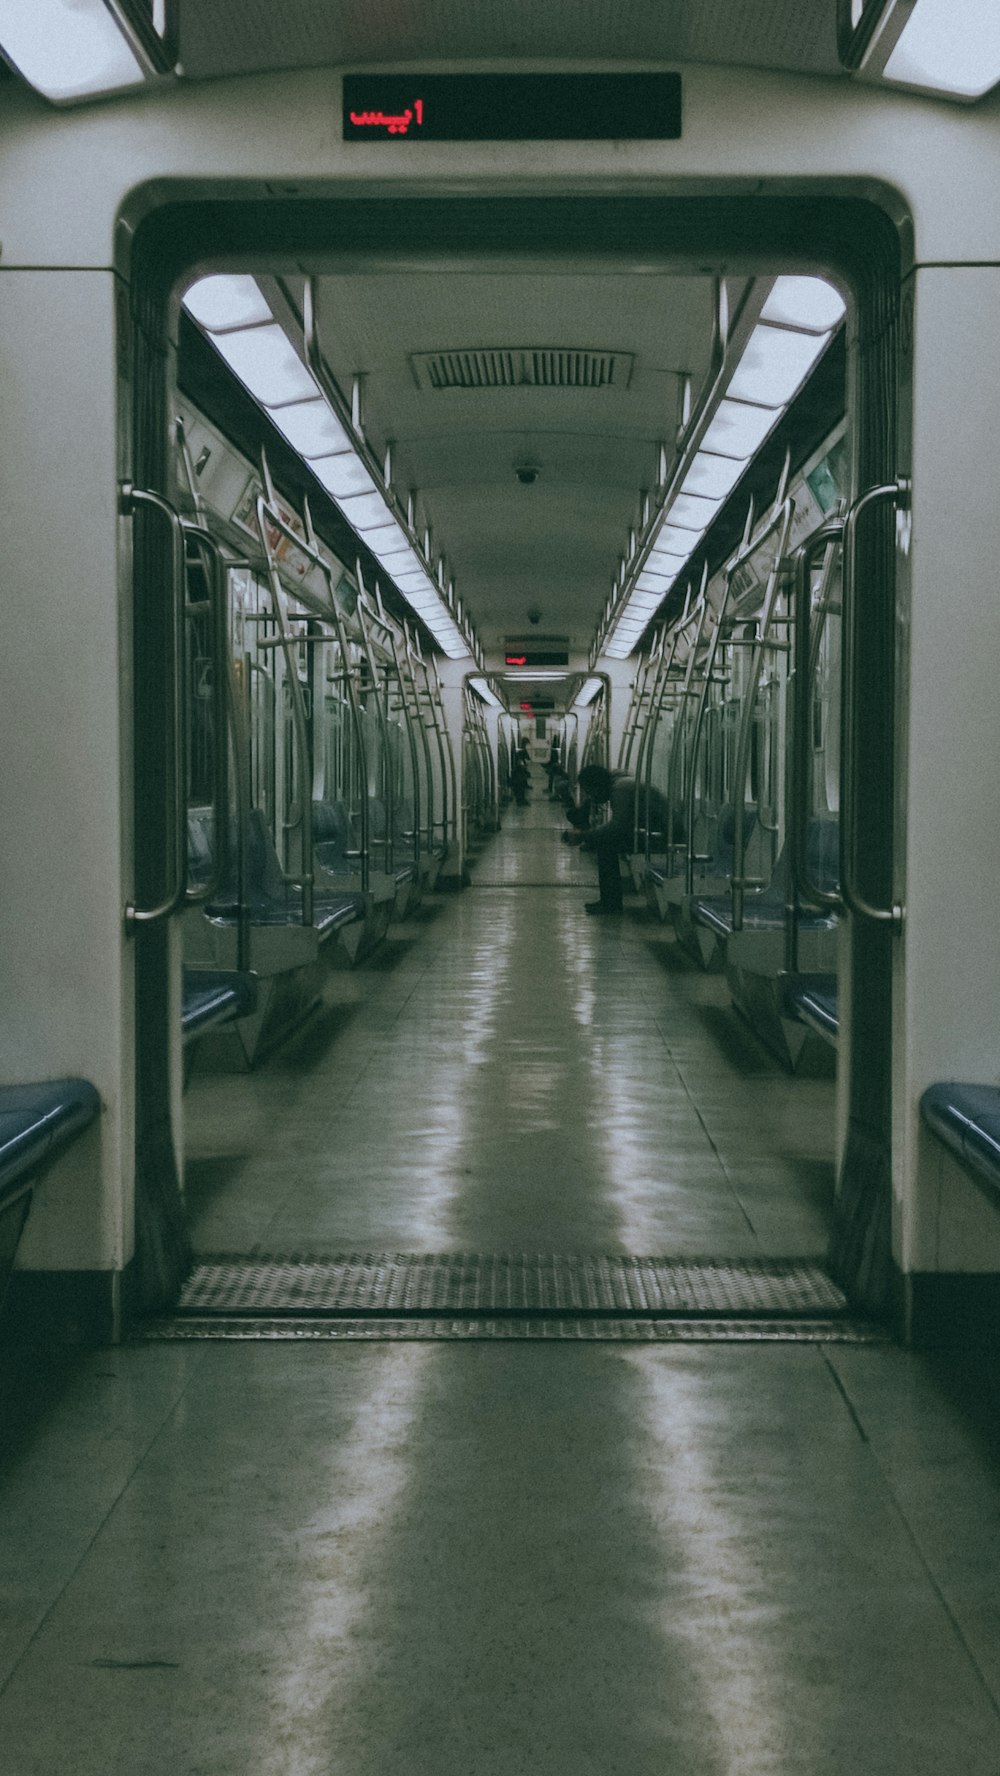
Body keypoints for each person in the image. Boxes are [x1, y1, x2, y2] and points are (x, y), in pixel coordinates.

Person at [562, 764, 672, 915]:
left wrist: (584, 836)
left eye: (590, 792)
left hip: (666, 838)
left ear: (597, 786)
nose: (590, 797)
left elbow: (617, 827)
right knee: (606, 840)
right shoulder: (620, 784)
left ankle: (610, 904)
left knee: (606, 843)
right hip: (658, 832)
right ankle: (610, 902)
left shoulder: (620, 790)